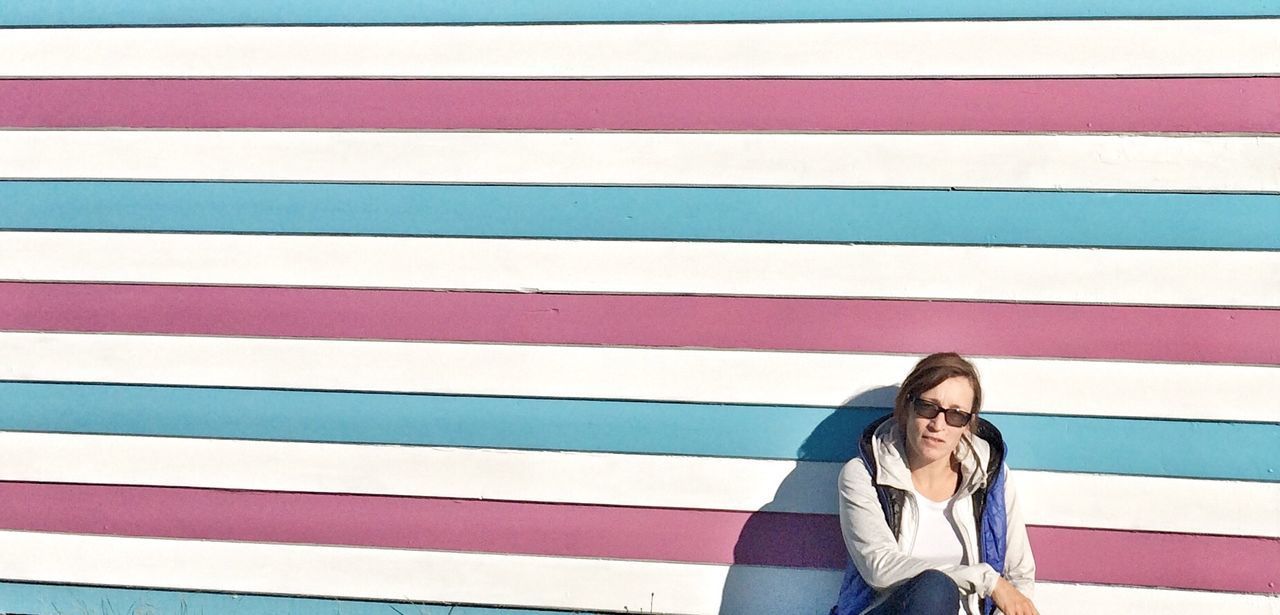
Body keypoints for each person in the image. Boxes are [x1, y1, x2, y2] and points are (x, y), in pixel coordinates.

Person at [832, 353, 1037, 615]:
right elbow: (879, 567)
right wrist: (986, 579)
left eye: (956, 415)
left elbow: (1019, 576)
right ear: (906, 407)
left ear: (968, 424)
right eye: (928, 407)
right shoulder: (864, 475)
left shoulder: (991, 476)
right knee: (934, 588)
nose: (938, 425)